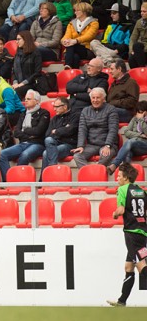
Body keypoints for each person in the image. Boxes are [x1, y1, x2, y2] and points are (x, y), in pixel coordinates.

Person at [106, 162, 147, 307]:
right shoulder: (142, 191)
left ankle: (122, 301)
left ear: (126, 178)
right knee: (129, 267)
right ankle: (122, 301)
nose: (117, 178)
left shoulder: (122, 189)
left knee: (141, 264)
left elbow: (121, 210)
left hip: (131, 232)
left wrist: (115, 214)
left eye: (119, 176)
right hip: (142, 231)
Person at [0, 90, 49, 181]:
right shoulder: (23, 113)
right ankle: (8, 181)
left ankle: (17, 180)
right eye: (25, 99)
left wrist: (24, 131)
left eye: (28, 99)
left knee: (25, 155)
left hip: (37, 144)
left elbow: (38, 131)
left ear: (37, 101)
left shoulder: (44, 113)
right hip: (23, 143)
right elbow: (16, 132)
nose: (25, 101)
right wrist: (29, 134)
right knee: (2, 154)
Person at [72, 87, 119, 168]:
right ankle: (89, 175)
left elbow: (113, 129)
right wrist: (80, 146)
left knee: (105, 155)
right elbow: (82, 130)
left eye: (98, 98)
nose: (95, 100)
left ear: (103, 99)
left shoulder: (111, 109)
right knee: (77, 156)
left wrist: (107, 145)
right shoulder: (85, 110)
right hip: (92, 145)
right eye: (93, 98)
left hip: (108, 144)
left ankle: (97, 173)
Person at [40, 96, 79, 177]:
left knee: (45, 153)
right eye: (54, 107)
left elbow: (71, 130)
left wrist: (56, 131)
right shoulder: (54, 119)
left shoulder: (75, 116)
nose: (54, 109)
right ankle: (52, 166)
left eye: (56, 107)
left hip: (69, 145)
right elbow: (48, 134)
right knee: (48, 140)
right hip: (55, 143)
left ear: (65, 107)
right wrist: (63, 130)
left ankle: (43, 180)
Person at [108, 101, 147, 175]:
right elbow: (126, 132)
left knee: (129, 142)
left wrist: (141, 120)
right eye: (138, 112)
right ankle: (126, 175)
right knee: (128, 151)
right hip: (136, 145)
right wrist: (140, 135)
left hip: (145, 146)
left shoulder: (140, 119)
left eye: (141, 112)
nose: (138, 115)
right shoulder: (134, 119)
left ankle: (115, 164)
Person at [61, 2, 99, 70]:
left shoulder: (94, 23)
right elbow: (67, 35)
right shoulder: (71, 23)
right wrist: (64, 41)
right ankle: (74, 74)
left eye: (77, 10)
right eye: (75, 10)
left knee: (71, 45)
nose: (75, 12)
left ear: (84, 11)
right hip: (72, 50)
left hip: (87, 49)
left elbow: (89, 36)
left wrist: (75, 41)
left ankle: (67, 65)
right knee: (75, 57)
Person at [11, 30, 43, 99]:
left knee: (17, 91)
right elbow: (13, 71)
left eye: (19, 39)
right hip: (19, 83)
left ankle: (19, 109)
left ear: (26, 39)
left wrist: (22, 84)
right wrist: (15, 83)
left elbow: (37, 72)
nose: (16, 42)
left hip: (32, 83)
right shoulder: (17, 53)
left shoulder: (36, 53)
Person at [107, 59, 139, 123]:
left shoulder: (131, 82)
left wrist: (113, 103)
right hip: (115, 110)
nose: (109, 71)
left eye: (112, 69)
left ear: (119, 69)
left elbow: (132, 102)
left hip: (127, 112)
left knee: (105, 112)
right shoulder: (115, 83)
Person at [128, 2, 147, 69]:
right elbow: (133, 38)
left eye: (144, 11)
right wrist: (131, 50)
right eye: (141, 11)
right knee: (131, 59)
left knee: (137, 46)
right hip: (141, 49)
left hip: (144, 49)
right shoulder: (139, 22)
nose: (142, 13)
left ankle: (143, 70)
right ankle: (138, 75)